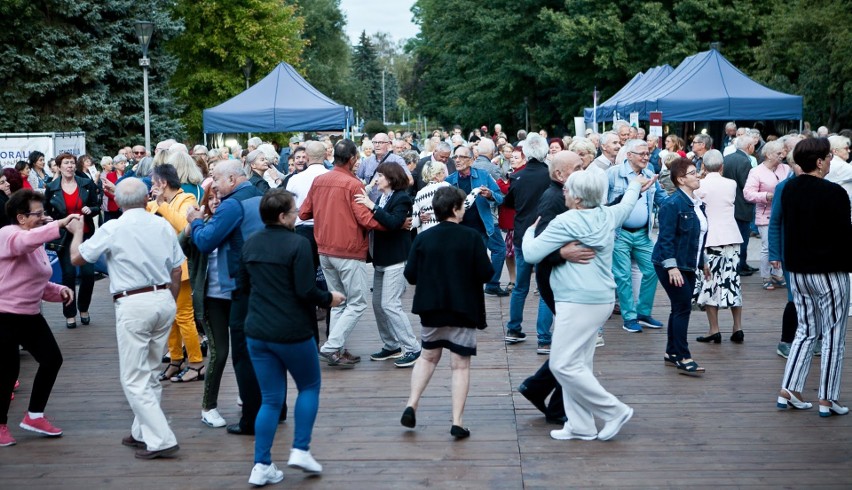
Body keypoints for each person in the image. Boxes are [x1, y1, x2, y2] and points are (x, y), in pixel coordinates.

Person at [523, 168, 649, 441]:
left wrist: (528, 233)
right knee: (579, 363)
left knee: (561, 365)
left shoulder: (564, 222)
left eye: (567, 189)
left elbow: (531, 254)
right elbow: (627, 205)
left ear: (578, 199)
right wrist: (636, 185)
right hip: (599, 299)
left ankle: (614, 410)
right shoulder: (607, 215)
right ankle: (580, 425)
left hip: (576, 300)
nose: (563, 191)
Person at [69, 178, 184, 459]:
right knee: (151, 370)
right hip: (163, 298)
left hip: (134, 301)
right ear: (147, 200)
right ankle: (142, 431)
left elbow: (77, 258)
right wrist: (170, 297)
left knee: (133, 377)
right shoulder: (160, 225)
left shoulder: (114, 227)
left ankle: (160, 438)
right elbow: (177, 269)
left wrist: (75, 233)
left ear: (118, 202)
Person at [241, 189, 345, 485]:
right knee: (309, 386)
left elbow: (243, 286)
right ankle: (300, 448)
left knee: (271, 400)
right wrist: (331, 298)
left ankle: (261, 465)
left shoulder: (250, 243)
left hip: (257, 331)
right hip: (292, 331)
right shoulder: (298, 244)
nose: (298, 212)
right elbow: (305, 290)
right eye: (294, 210)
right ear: (282, 216)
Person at [401, 186, 493, 439]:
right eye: (463, 206)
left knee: (428, 356)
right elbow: (487, 273)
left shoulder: (423, 238)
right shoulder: (471, 237)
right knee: (460, 365)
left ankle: (412, 403)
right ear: (455, 209)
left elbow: (410, 276)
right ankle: (457, 421)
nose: (464, 211)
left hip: (431, 307)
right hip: (463, 308)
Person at [774, 137, 851, 417]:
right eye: (829, 157)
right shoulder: (834, 193)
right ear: (819, 162)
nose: (831, 161)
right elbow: (844, 236)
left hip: (798, 272)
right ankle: (828, 398)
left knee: (805, 331)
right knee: (833, 335)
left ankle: (789, 389)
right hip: (829, 271)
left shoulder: (789, 189)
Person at [188, 159, 265, 435]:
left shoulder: (233, 204)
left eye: (216, 179)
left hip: (239, 283)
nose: (214, 186)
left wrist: (196, 222)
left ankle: (251, 419)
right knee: (263, 350)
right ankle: (274, 409)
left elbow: (206, 241)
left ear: (232, 179)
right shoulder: (259, 193)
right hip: (262, 280)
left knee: (243, 354)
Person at [0, 190, 77, 447]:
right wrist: (60, 223)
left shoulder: (36, 243)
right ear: (21, 217)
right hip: (4, 314)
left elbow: (38, 281)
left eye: (44, 213)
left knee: (52, 359)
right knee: (7, 371)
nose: (43, 218)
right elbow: (24, 242)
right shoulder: (9, 235)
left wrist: (59, 291)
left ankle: (34, 415)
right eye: (38, 214)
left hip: (29, 314)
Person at [299, 140, 385, 368]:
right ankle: (330, 346)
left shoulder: (320, 180)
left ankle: (336, 349)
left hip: (325, 249)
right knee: (357, 303)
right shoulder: (353, 184)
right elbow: (365, 219)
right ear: (352, 159)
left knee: (338, 302)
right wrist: (393, 223)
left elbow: (304, 212)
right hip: (348, 250)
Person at [354, 163, 420, 367]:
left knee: (390, 304)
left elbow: (393, 223)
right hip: (382, 258)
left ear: (391, 178)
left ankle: (412, 348)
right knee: (378, 304)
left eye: (380, 175)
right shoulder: (383, 197)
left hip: (396, 258)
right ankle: (391, 345)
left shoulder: (401, 198)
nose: (377, 178)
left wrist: (370, 205)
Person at [146, 164, 205, 383]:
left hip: (182, 269)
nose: (152, 186)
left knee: (183, 317)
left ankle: (197, 363)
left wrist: (161, 204)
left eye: (154, 182)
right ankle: (175, 360)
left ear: (163, 183)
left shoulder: (187, 199)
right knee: (169, 317)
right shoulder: (157, 202)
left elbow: (183, 225)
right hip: (162, 268)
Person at [652, 158, 709, 375]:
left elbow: (699, 235)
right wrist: (671, 267)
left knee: (679, 306)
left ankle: (671, 352)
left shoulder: (696, 202)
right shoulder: (672, 204)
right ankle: (683, 356)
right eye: (693, 173)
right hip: (671, 264)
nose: (698, 176)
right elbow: (665, 239)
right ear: (681, 179)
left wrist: (702, 261)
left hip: (688, 264)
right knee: (683, 306)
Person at [179, 190, 230, 428]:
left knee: (245, 352)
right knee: (218, 353)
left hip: (239, 296)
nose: (216, 201)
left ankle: (247, 397)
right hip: (212, 298)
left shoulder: (235, 221)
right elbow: (181, 246)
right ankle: (208, 407)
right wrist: (191, 225)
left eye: (220, 197)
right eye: (211, 197)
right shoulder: (203, 226)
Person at [606, 139, 667, 333]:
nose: (646, 157)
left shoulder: (650, 174)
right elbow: (602, 204)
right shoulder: (612, 175)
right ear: (629, 155)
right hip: (620, 233)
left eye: (648, 153)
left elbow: (661, 199)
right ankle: (629, 317)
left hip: (643, 234)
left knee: (653, 270)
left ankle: (643, 313)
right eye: (641, 153)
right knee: (622, 276)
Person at [43, 153, 100, 329]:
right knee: (68, 275)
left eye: (72, 163)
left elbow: (97, 206)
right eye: (66, 163)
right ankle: (70, 313)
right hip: (65, 237)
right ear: (58, 167)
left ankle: (83, 308)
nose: (70, 166)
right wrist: (54, 220)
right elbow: (47, 211)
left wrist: (90, 209)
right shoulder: (52, 187)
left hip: (85, 235)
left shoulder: (86, 184)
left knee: (88, 274)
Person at [693, 150, 744, 343]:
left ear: (703, 166)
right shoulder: (731, 184)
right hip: (731, 236)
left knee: (710, 282)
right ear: (722, 166)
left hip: (710, 238)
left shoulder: (700, 185)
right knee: (732, 280)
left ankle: (714, 329)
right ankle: (737, 327)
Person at [743, 140, 790, 290]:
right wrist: (766, 196)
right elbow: (748, 193)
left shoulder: (786, 168)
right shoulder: (756, 171)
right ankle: (766, 276)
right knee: (767, 246)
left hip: (784, 213)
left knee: (782, 244)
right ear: (768, 155)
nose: (783, 155)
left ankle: (777, 273)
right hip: (766, 213)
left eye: (783, 152)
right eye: (779, 153)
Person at [411, 161, 450, 234]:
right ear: (437, 175)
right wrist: (475, 192)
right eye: (443, 172)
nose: (445, 175)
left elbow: (414, 222)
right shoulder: (446, 187)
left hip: (426, 234)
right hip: (444, 231)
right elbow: (464, 205)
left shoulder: (420, 193)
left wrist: (420, 217)